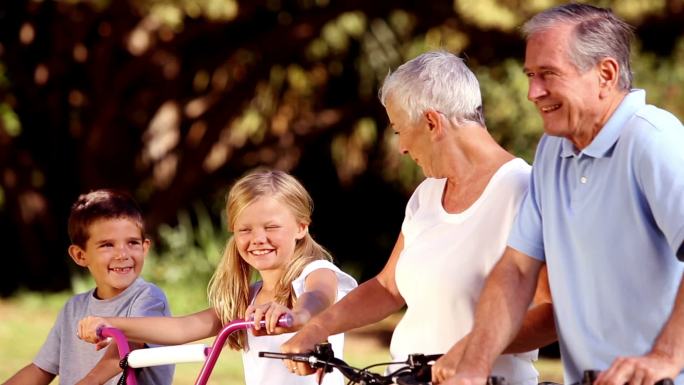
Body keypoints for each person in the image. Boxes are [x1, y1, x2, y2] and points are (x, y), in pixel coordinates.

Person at [281, 51, 556, 385]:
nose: (401, 148)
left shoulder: (525, 192)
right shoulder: (426, 195)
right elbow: (387, 287)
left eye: (399, 130)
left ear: (431, 122)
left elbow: (551, 312)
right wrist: (317, 328)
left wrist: (474, 349)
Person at [448, 4, 684, 385]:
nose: (532, 92)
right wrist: (473, 367)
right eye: (529, 75)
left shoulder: (653, 140)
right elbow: (517, 269)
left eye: (548, 75)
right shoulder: (551, 151)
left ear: (605, 74)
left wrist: (667, 356)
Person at [78, 169, 357, 385]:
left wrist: (296, 317)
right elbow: (181, 329)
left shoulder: (316, 273)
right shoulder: (249, 298)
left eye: (271, 226)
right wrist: (110, 322)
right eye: (245, 230)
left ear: (300, 227)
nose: (258, 238)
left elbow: (319, 297)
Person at [2, 189, 174, 385]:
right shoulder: (73, 309)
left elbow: (131, 343)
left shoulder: (148, 297)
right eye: (107, 245)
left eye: (132, 243)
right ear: (80, 256)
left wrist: (87, 382)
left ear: (145, 248)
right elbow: (41, 369)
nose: (122, 254)